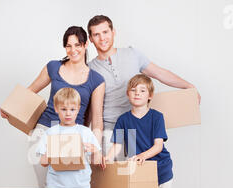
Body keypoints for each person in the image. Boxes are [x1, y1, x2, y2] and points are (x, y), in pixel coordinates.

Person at [0, 26, 105, 188]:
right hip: (45, 131)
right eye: (68, 45)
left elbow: (97, 118)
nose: (72, 50)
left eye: (77, 45)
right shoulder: (53, 67)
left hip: (74, 138)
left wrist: (97, 149)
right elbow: (30, 91)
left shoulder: (96, 80)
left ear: (85, 46)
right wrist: (9, 106)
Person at [86, 15, 201, 155]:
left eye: (105, 32)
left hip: (139, 129)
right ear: (90, 39)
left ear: (113, 32)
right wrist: (94, 146)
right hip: (110, 133)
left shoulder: (132, 54)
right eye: (96, 34)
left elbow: (159, 73)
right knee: (111, 175)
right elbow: (93, 113)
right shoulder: (89, 69)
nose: (102, 38)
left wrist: (189, 87)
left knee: (141, 174)